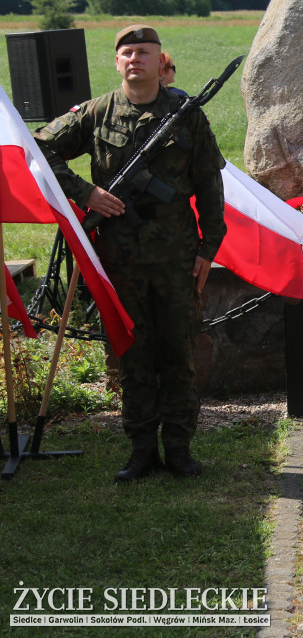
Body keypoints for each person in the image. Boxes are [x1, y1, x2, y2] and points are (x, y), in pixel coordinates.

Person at [34, 24, 226, 483]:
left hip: (178, 257)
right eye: (127, 53)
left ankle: (179, 449)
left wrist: (208, 249)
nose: (135, 59)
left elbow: (210, 185)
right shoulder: (98, 113)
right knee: (133, 354)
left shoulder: (185, 115)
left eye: (145, 52)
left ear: (161, 61)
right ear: (117, 62)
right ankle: (141, 450)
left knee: (178, 352)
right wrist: (87, 193)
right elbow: (39, 146)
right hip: (120, 257)